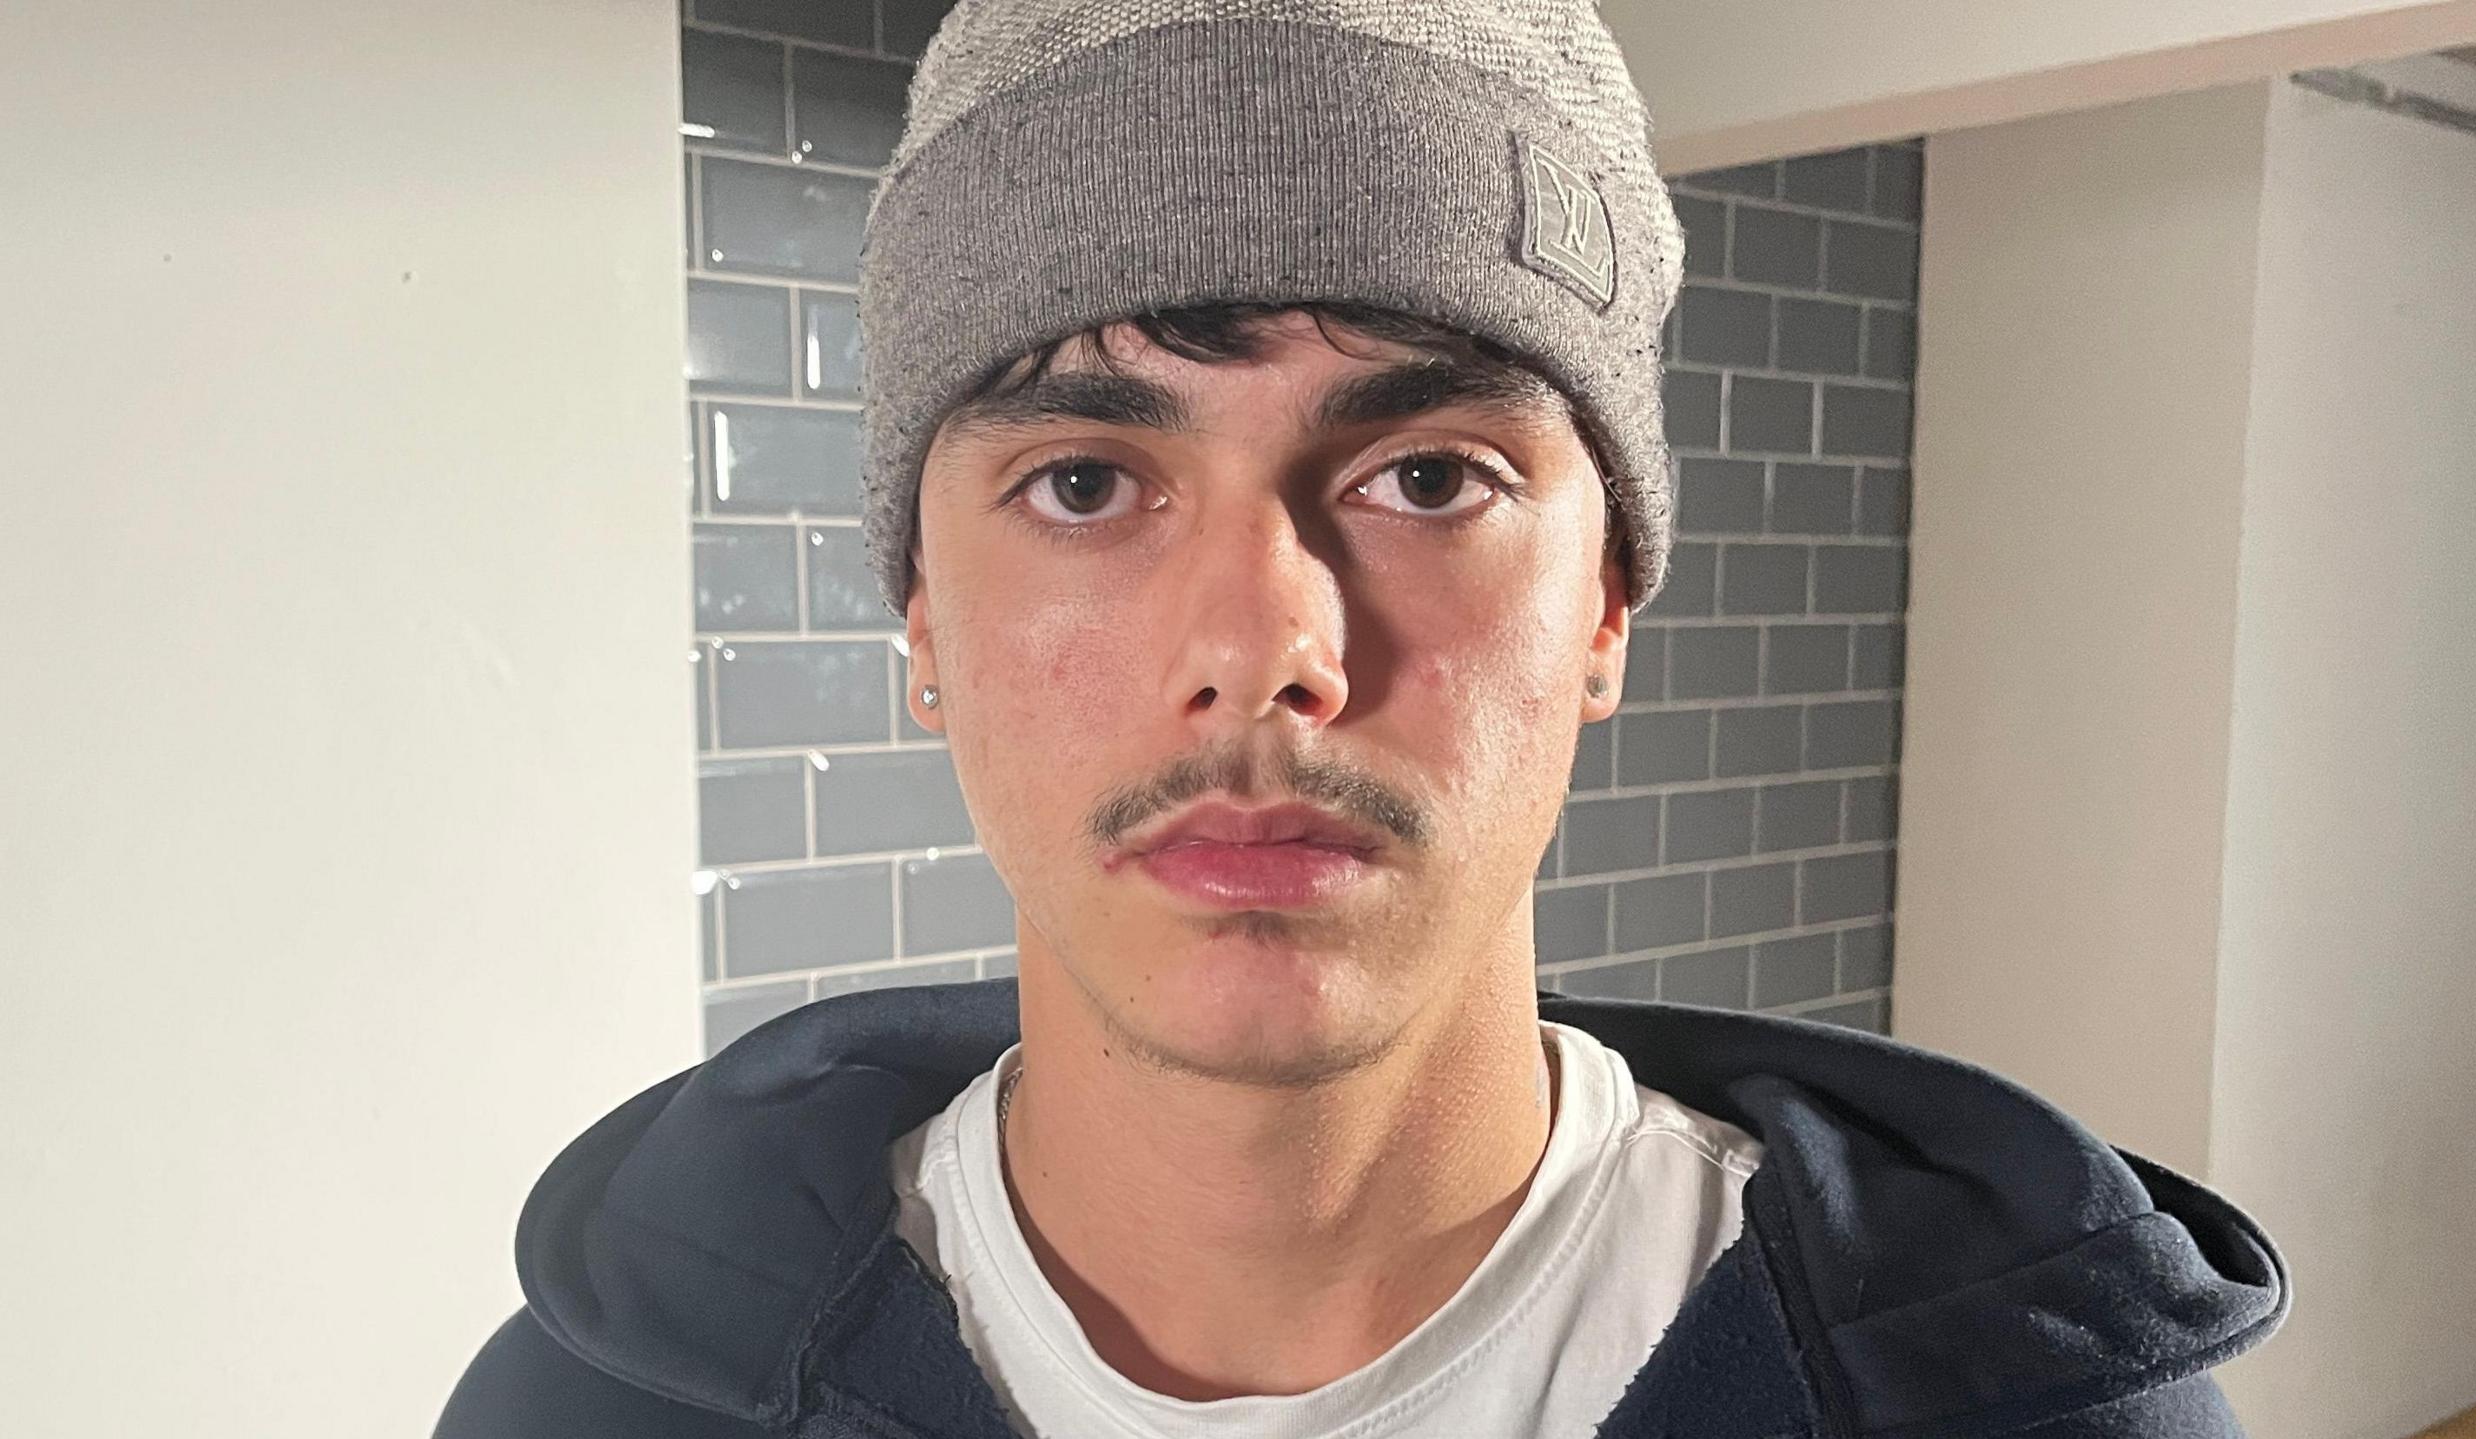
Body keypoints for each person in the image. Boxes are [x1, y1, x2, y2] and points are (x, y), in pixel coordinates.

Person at [436, 2, 2289, 1434]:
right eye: (1085, 483)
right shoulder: (598, 1402)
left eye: (1428, 478)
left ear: (1606, 610)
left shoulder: (2039, 1404)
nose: (1265, 646)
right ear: (925, 620)